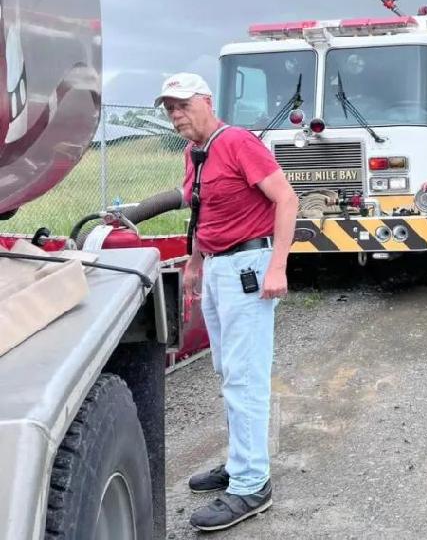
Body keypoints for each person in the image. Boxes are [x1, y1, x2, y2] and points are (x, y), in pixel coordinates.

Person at [156, 72, 299, 532]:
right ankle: (242, 463)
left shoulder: (237, 141)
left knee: (245, 377)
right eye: (169, 109)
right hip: (217, 267)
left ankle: (253, 485)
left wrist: (277, 266)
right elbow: (202, 208)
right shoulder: (194, 153)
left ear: (206, 101)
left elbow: (287, 199)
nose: (176, 115)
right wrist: (196, 261)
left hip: (248, 268)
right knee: (226, 372)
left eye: (182, 105)